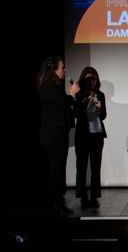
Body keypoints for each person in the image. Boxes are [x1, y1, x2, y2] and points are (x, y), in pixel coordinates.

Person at [37, 56, 79, 214]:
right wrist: (72, 94)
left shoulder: (55, 86)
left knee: (59, 167)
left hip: (58, 133)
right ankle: (54, 203)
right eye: (62, 67)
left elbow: (64, 107)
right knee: (56, 168)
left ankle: (58, 201)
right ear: (53, 69)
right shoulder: (48, 87)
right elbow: (62, 104)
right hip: (53, 134)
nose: (64, 70)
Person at [74, 66, 107, 208]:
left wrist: (99, 109)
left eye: (94, 78)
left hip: (97, 134)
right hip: (82, 135)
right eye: (89, 79)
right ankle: (83, 197)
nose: (92, 82)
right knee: (81, 167)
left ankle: (94, 197)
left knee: (96, 167)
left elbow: (104, 115)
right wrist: (85, 104)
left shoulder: (100, 94)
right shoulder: (79, 94)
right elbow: (76, 113)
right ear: (83, 80)